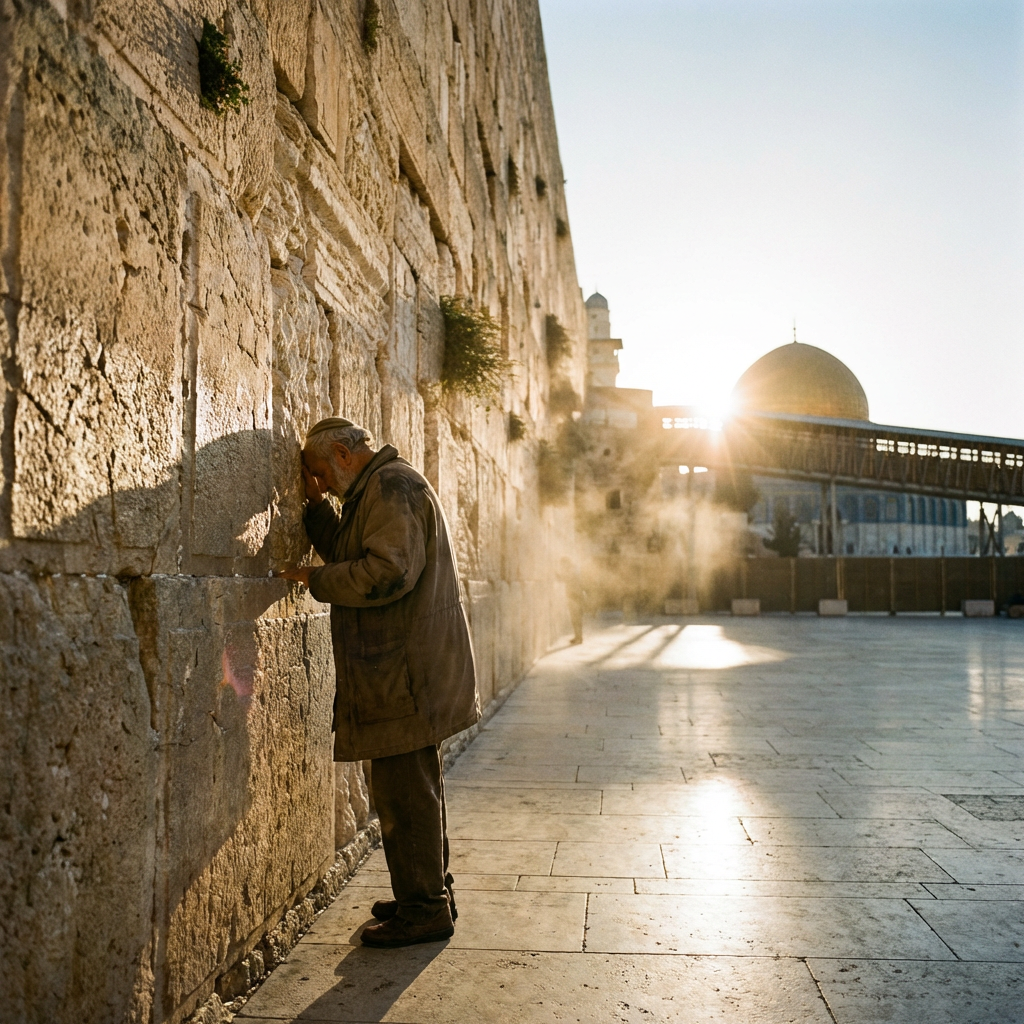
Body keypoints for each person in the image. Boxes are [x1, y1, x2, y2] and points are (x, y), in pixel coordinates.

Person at [278, 418, 479, 948]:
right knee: (413, 788)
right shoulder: (377, 489)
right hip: (403, 673)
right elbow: (350, 549)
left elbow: (387, 573)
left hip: (405, 674)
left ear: (343, 454)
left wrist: (315, 580)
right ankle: (428, 891)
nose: (319, 482)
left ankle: (424, 910)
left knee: (404, 793)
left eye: (321, 472)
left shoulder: (394, 486)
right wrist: (318, 508)